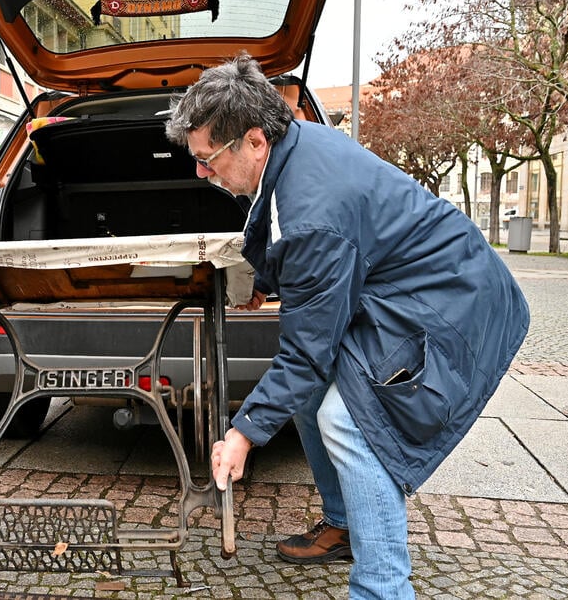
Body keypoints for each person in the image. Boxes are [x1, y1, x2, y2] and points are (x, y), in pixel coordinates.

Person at [165, 54, 529, 599]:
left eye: (206, 158)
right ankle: (344, 525)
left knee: (348, 418)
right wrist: (268, 276)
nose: (201, 172)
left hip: (455, 306)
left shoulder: (314, 210)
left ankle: (382, 589)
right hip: (414, 291)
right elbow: (270, 217)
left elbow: (306, 351)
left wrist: (241, 435)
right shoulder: (294, 147)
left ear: (255, 141)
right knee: (312, 398)